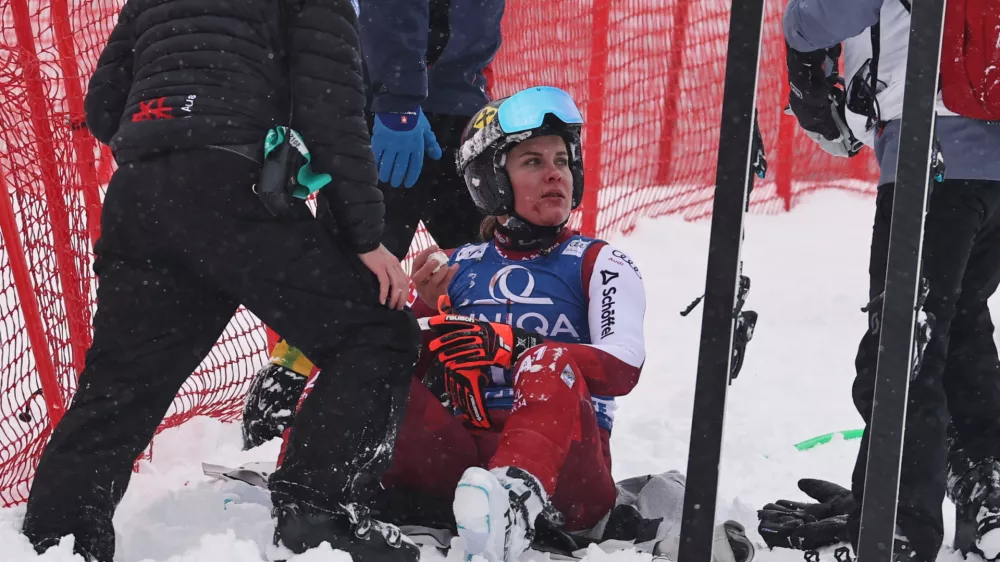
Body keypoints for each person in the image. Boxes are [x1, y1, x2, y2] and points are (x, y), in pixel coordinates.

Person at [264, 87, 753, 562]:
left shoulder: (599, 261)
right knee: (372, 349)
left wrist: (515, 345)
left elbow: (623, 367)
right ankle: (308, 487)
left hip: (569, 480)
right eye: (533, 162)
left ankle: (514, 502)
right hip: (456, 463)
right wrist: (421, 316)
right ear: (491, 182)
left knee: (547, 358)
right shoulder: (453, 264)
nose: (554, 175)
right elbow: (390, 367)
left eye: (562, 161)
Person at [21, 1, 421, 561]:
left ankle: (55, 542)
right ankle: (317, 513)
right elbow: (332, 108)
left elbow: (104, 106)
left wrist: (175, 136)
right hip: (231, 188)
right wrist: (364, 236)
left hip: (139, 196)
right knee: (379, 331)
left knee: (120, 387)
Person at [759, 2, 1000, 561]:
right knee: (959, 329)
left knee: (902, 349)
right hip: (992, 167)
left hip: (930, 156)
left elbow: (827, 15)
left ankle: (895, 524)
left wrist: (798, 36)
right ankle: (987, 495)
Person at [242, 0, 505, 450]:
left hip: (457, 106)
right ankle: (280, 399)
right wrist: (398, 100)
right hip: (399, 108)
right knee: (353, 264)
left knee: (484, 265)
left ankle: (470, 399)